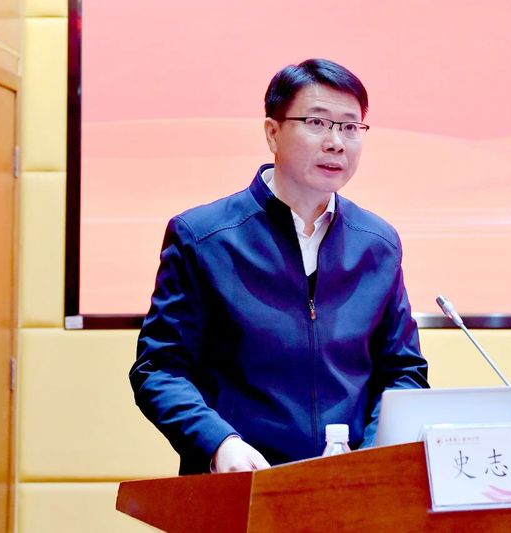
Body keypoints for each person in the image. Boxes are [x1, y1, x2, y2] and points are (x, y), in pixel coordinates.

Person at [130, 58, 429, 475]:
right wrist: (219, 443)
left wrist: (368, 454)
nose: (336, 143)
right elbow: (160, 369)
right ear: (272, 132)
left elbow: (403, 371)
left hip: (352, 486)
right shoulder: (203, 238)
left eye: (350, 127)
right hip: (241, 484)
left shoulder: (378, 244)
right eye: (317, 123)